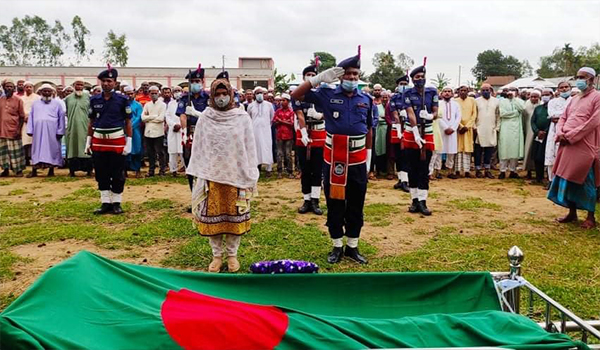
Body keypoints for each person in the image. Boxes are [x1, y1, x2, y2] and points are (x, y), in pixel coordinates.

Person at [291, 47, 374, 264]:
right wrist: (318, 79)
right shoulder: (327, 95)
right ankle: (337, 245)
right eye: (348, 74)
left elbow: (368, 129)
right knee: (335, 202)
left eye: (355, 74)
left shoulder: (366, 99)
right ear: (340, 76)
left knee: (356, 203)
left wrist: (369, 158)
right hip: (335, 159)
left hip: (357, 160)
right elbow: (296, 95)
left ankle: (352, 247)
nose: (352, 78)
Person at [186, 77, 259, 273]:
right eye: (217, 94)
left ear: (231, 94)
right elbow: (199, 146)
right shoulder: (205, 117)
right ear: (211, 96)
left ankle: (233, 255)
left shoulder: (242, 117)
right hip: (212, 176)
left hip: (236, 175)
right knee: (214, 219)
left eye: (224, 94)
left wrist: (250, 171)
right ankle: (217, 256)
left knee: (234, 216)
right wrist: (201, 171)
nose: (221, 98)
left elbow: (249, 146)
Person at [548, 67, 600, 229]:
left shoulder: (597, 97)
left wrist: (572, 135)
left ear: (592, 79)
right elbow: (564, 116)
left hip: (585, 144)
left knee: (586, 180)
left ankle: (590, 217)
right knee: (567, 178)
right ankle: (572, 212)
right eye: (577, 77)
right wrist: (561, 132)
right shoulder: (574, 98)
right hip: (567, 143)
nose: (579, 80)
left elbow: (593, 122)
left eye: (583, 77)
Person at [86, 66, 132, 215]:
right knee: (101, 172)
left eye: (109, 81)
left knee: (117, 172)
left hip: (116, 140)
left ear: (115, 83)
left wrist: (128, 142)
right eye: (103, 81)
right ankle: (105, 202)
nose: (106, 84)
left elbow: (128, 122)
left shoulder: (123, 100)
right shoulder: (94, 100)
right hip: (99, 141)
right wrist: (88, 141)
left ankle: (117, 202)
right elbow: (91, 122)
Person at [400, 65, 438, 216]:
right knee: (412, 167)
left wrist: (429, 116)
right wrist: (416, 133)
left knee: (424, 167)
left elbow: (435, 111)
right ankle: (414, 200)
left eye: (422, 76)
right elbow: (410, 114)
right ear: (412, 79)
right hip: (411, 133)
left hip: (427, 132)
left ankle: (423, 201)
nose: (420, 79)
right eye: (417, 77)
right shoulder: (407, 93)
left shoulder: (432, 92)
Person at [293, 64, 326, 215]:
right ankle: (306, 200)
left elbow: (329, 113)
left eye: (314, 74)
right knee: (305, 169)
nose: (311, 77)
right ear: (303, 77)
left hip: (319, 134)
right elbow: (300, 114)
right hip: (304, 135)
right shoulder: (298, 94)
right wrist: (304, 132)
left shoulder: (323, 94)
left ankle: (315, 199)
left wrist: (319, 115)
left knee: (317, 169)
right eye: (308, 74)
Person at [177, 66, 210, 192]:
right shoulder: (185, 98)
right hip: (191, 132)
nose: (195, 84)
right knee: (189, 163)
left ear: (202, 82)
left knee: (206, 163)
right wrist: (184, 132)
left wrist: (195, 112)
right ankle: (194, 195)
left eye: (197, 81)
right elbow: (183, 115)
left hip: (205, 133)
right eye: (192, 82)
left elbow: (210, 116)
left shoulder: (207, 98)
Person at [26, 84, 66, 177]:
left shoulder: (57, 104)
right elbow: (31, 117)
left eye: (49, 91)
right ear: (40, 92)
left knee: (52, 150)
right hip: (38, 131)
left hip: (52, 132)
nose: (47, 93)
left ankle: (51, 171)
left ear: (52, 92)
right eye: (45, 91)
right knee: (36, 150)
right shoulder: (35, 104)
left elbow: (61, 118)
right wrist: (30, 130)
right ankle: (34, 171)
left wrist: (60, 131)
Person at [65, 78, 93, 177]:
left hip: (86, 127)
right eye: (77, 85)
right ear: (74, 85)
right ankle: (72, 171)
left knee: (86, 148)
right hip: (72, 128)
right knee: (72, 148)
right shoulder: (68, 99)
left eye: (81, 85)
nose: (79, 87)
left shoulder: (89, 97)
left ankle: (89, 170)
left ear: (84, 86)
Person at [545, 81, 571, 185]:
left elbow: (574, 115)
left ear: (570, 88)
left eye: (566, 87)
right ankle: (551, 181)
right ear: (558, 89)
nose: (564, 89)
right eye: (561, 87)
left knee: (567, 156)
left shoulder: (575, 101)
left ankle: (565, 182)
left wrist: (560, 117)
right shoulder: (553, 102)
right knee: (552, 155)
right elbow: (551, 114)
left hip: (569, 130)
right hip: (554, 130)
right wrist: (565, 116)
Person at [0, 79, 26, 177]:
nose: (9, 88)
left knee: (16, 152)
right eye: (7, 86)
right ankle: (5, 169)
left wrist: (19, 130)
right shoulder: (0, 100)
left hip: (14, 130)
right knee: (4, 153)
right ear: (3, 88)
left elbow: (22, 116)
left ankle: (18, 170)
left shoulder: (18, 100)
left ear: (14, 88)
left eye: (11, 86)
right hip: (2, 130)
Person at [498, 86, 525, 179]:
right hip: (505, 128)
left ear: (517, 92)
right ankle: (502, 170)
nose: (511, 92)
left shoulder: (519, 101)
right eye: (509, 90)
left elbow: (522, 109)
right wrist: (515, 113)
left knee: (514, 149)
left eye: (513, 90)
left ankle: (513, 170)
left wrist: (514, 99)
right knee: (504, 149)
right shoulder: (502, 102)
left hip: (516, 128)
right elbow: (502, 114)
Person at [433, 87, 460, 179]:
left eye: (449, 91)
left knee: (451, 151)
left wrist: (453, 128)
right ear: (441, 94)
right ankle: (438, 171)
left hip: (453, 131)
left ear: (452, 94)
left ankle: (449, 171)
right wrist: (445, 127)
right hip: (441, 130)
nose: (447, 93)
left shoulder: (456, 105)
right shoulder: (438, 104)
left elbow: (458, 117)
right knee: (439, 151)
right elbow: (437, 117)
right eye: (445, 91)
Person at [247, 86, 274, 176]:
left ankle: (268, 169)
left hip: (266, 130)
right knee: (255, 148)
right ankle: (256, 168)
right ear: (254, 95)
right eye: (257, 93)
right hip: (254, 131)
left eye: (261, 93)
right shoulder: (250, 106)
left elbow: (272, 118)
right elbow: (249, 118)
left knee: (267, 147)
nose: (259, 95)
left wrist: (265, 125)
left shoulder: (269, 105)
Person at [474, 83, 500, 178]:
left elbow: (498, 116)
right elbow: (474, 115)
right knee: (478, 151)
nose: (485, 92)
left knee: (489, 150)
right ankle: (478, 170)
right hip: (479, 129)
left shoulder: (496, 101)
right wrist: (474, 127)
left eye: (487, 90)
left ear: (491, 91)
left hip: (491, 129)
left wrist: (497, 128)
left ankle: (487, 170)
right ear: (480, 91)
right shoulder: (476, 101)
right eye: (483, 90)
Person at [390, 75, 411, 192]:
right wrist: (399, 129)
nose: (403, 86)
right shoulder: (394, 98)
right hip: (397, 128)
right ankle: (400, 179)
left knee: (406, 155)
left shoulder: (411, 96)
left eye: (405, 84)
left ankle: (405, 180)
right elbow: (394, 114)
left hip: (408, 128)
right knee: (398, 155)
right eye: (401, 84)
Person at [530, 88, 553, 185]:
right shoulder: (538, 108)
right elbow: (532, 121)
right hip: (538, 136)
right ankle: (538, 177)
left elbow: (553, 121)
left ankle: (549, 179)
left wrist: (545, 132)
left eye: (547, 94)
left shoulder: (553, 108)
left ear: (552, 95)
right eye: (543, 95)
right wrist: (537, 131)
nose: (545, 96)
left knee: (547, 157)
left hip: (549, 136)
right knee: (537, 156)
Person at [142, 86, 167, 176]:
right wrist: (153, 116)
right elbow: (143, 118)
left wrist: (149, 118)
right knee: (150, 152)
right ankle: (151, 170)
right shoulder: (147, 105)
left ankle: (162, 170)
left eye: (155, 93)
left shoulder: (163, 105)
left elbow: (161, 118)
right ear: (149, 94)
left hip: (159, 132)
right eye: (152, 93)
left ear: (158, 93)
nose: (153, 95)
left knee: (160, 152)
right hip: (148, 132)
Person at [454, 85, 477, 178]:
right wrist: (460, 126)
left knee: (467, 149)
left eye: (465, 90)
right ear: (458, 92)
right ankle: (457, 170)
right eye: (461, 91)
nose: (463, 92)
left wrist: (467, 126)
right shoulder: (455, 101)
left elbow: (474, 114)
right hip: (458, 129)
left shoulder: (472, 101)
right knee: (458, 149)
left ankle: (467, 171)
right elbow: (454, 115)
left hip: (468, 129)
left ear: (467, 91)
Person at [272, 93, 295, 178]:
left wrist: (281, 121)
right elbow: (274, 122)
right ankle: (279, 171)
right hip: (279, 135)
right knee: (279, 154)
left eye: (284, 100)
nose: (282, 102)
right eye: (281, 100)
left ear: (288, 101)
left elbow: (292, 124)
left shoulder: (291, 112)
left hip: (288, 136)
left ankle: (290, 171)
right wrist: (284, 121)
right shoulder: (278, 111)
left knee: (288, 154)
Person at [162, 86, 183, 177]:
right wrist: (174, 125)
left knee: (182, 150)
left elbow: (186, 116)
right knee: (172, 150)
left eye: (179, 91)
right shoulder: (170, 104)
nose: (177, 93)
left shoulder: (185, 102)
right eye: (175, 91)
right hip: (172, 129)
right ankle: (173, 170)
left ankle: (186, 169)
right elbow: (167, 116)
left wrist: (180, 125)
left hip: (182, 129)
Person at [123, 86, 144, 178]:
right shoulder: (121, 105)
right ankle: (124, 171)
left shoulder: (138, 105)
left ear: (134, 94)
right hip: (123, 131)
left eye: (131, 94)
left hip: (135, 131)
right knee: (125, 151)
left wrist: (130, 126)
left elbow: (139, 117)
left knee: (137, 150)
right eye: (128, 94)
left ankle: (137, 171)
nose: (130, 96)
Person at [20, 81, 40, 165]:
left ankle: (33, 158)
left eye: (30, 87)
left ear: (33, 88)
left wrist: (31, 117)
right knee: (24, 140)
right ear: (24, 88)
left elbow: (39, 109)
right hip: (23, 121)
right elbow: (19, 109)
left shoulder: (37, 98)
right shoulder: (21, 98)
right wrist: (23, 116)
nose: (28, 88)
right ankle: (25, 159)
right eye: (27, 87)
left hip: (34, 121)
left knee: (33, 140)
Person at [523, 90, 542, 178]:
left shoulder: (541, 106)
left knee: (537, 151)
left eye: (536, 97)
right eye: (532, 97)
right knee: (528, 150)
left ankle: (538, 172)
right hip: (528, 131)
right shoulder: (525, 105)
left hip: (538, 131)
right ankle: (528, 171)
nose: (534, 98)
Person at [372, 83, 388, 179]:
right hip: (375, 128)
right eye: (376, 90)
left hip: (385, 128)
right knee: (375, 148)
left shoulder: (385, 103)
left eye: (379, 90)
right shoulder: (371, 102)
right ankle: (375, 170)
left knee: (384, 148)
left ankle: (383, 169)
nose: (377, 92)